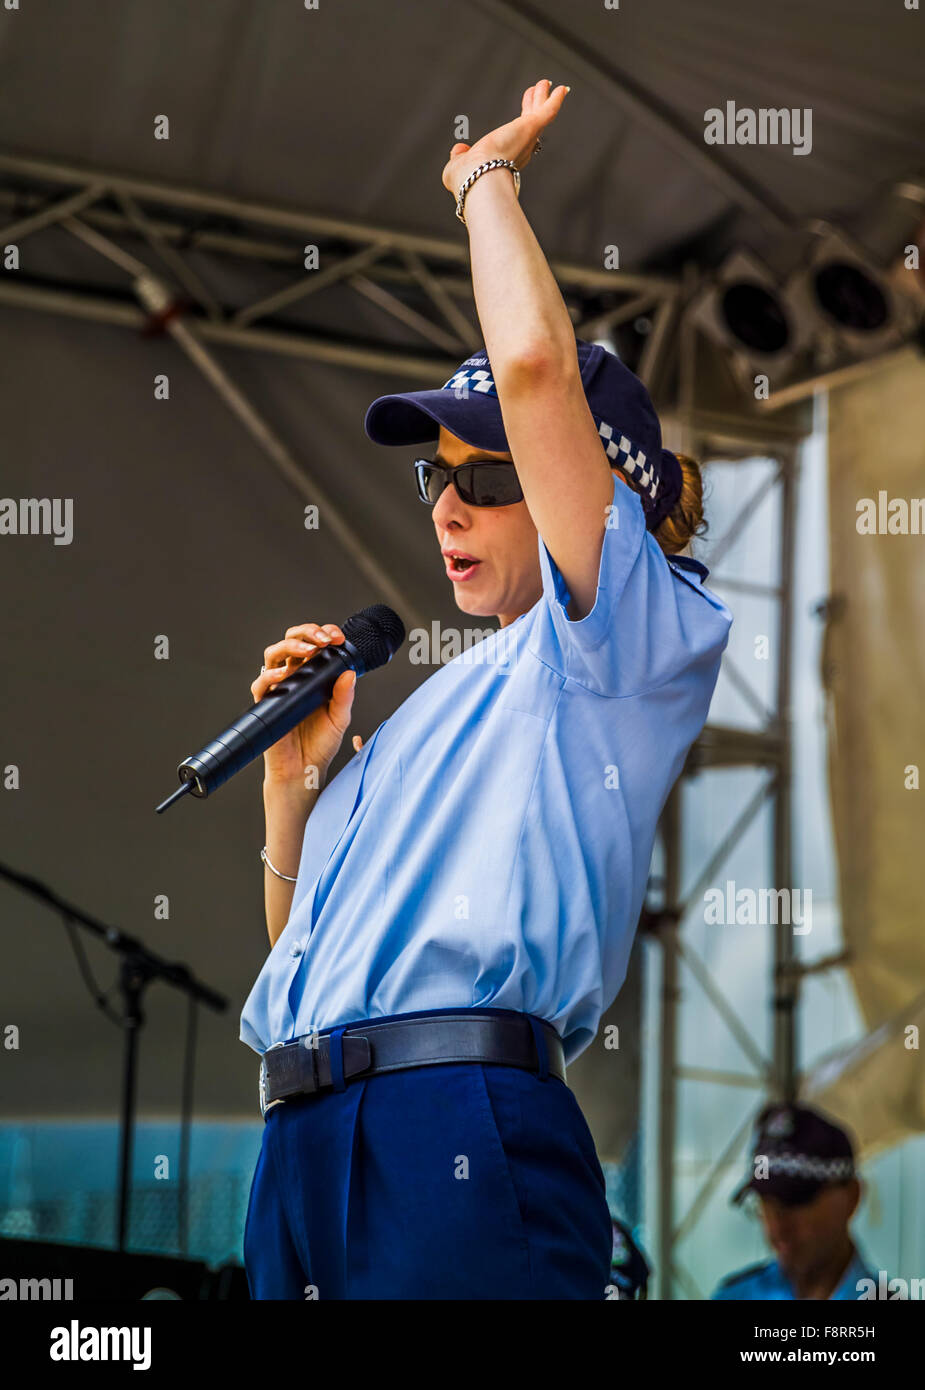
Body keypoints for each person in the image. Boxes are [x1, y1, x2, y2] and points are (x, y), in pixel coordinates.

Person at [239, 79, 733, 1300]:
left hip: (450, 1120)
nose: (448, 504)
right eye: (433, 481)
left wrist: (482, 181)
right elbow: (310, 958)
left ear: (586, 486)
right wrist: (289, 792)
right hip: (303, 1130)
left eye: (488, 473)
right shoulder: (434, 707)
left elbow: (529, 363)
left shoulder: (619, 634)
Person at [712, 1102, 877, 1301]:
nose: (776, 1227)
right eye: (765, 1205)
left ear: (852, 1196)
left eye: (794, 1202)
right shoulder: (734, 1296)